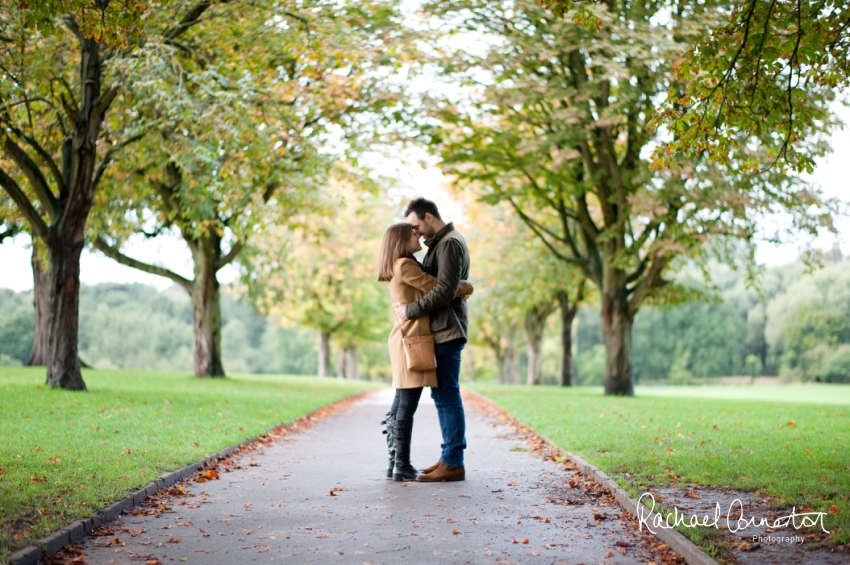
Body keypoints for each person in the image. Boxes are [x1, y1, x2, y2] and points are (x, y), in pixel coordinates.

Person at [377, 222, 473, 482]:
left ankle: (395, 464)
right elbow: (439, 286)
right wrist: (466, 287)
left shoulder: (400, 264)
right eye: (413, 232)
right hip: (412, 340)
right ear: (400, 239)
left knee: (401, 403)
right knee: (406, 404)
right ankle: (402, 466)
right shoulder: (406, 265)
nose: (417, 234)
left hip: (407, 339)